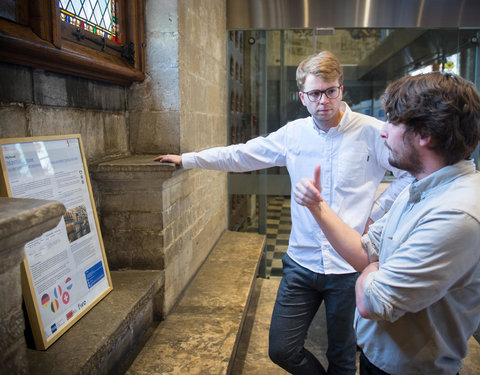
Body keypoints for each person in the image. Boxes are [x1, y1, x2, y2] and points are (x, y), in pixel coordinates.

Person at [155, 51, 412, 374]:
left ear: (341, 90)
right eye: (315, 93)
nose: (324, 100)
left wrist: (376, 215)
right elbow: (242, 156)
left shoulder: (372, 132)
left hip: (348, 266)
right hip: (301, 262)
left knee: (343, 357)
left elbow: (409, 176)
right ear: (302, 97)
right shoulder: (294, 134)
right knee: (281, 349)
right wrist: (188, 159)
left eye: (331, 91)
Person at [294, 71, 480, 375]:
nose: (383, 132)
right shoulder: (420, 188)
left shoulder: (457, 213)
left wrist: (373, 271)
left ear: (424, 134)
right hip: (377, 361)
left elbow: (372, 302)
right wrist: (317, 206)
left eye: (392, 121)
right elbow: (365, 251)